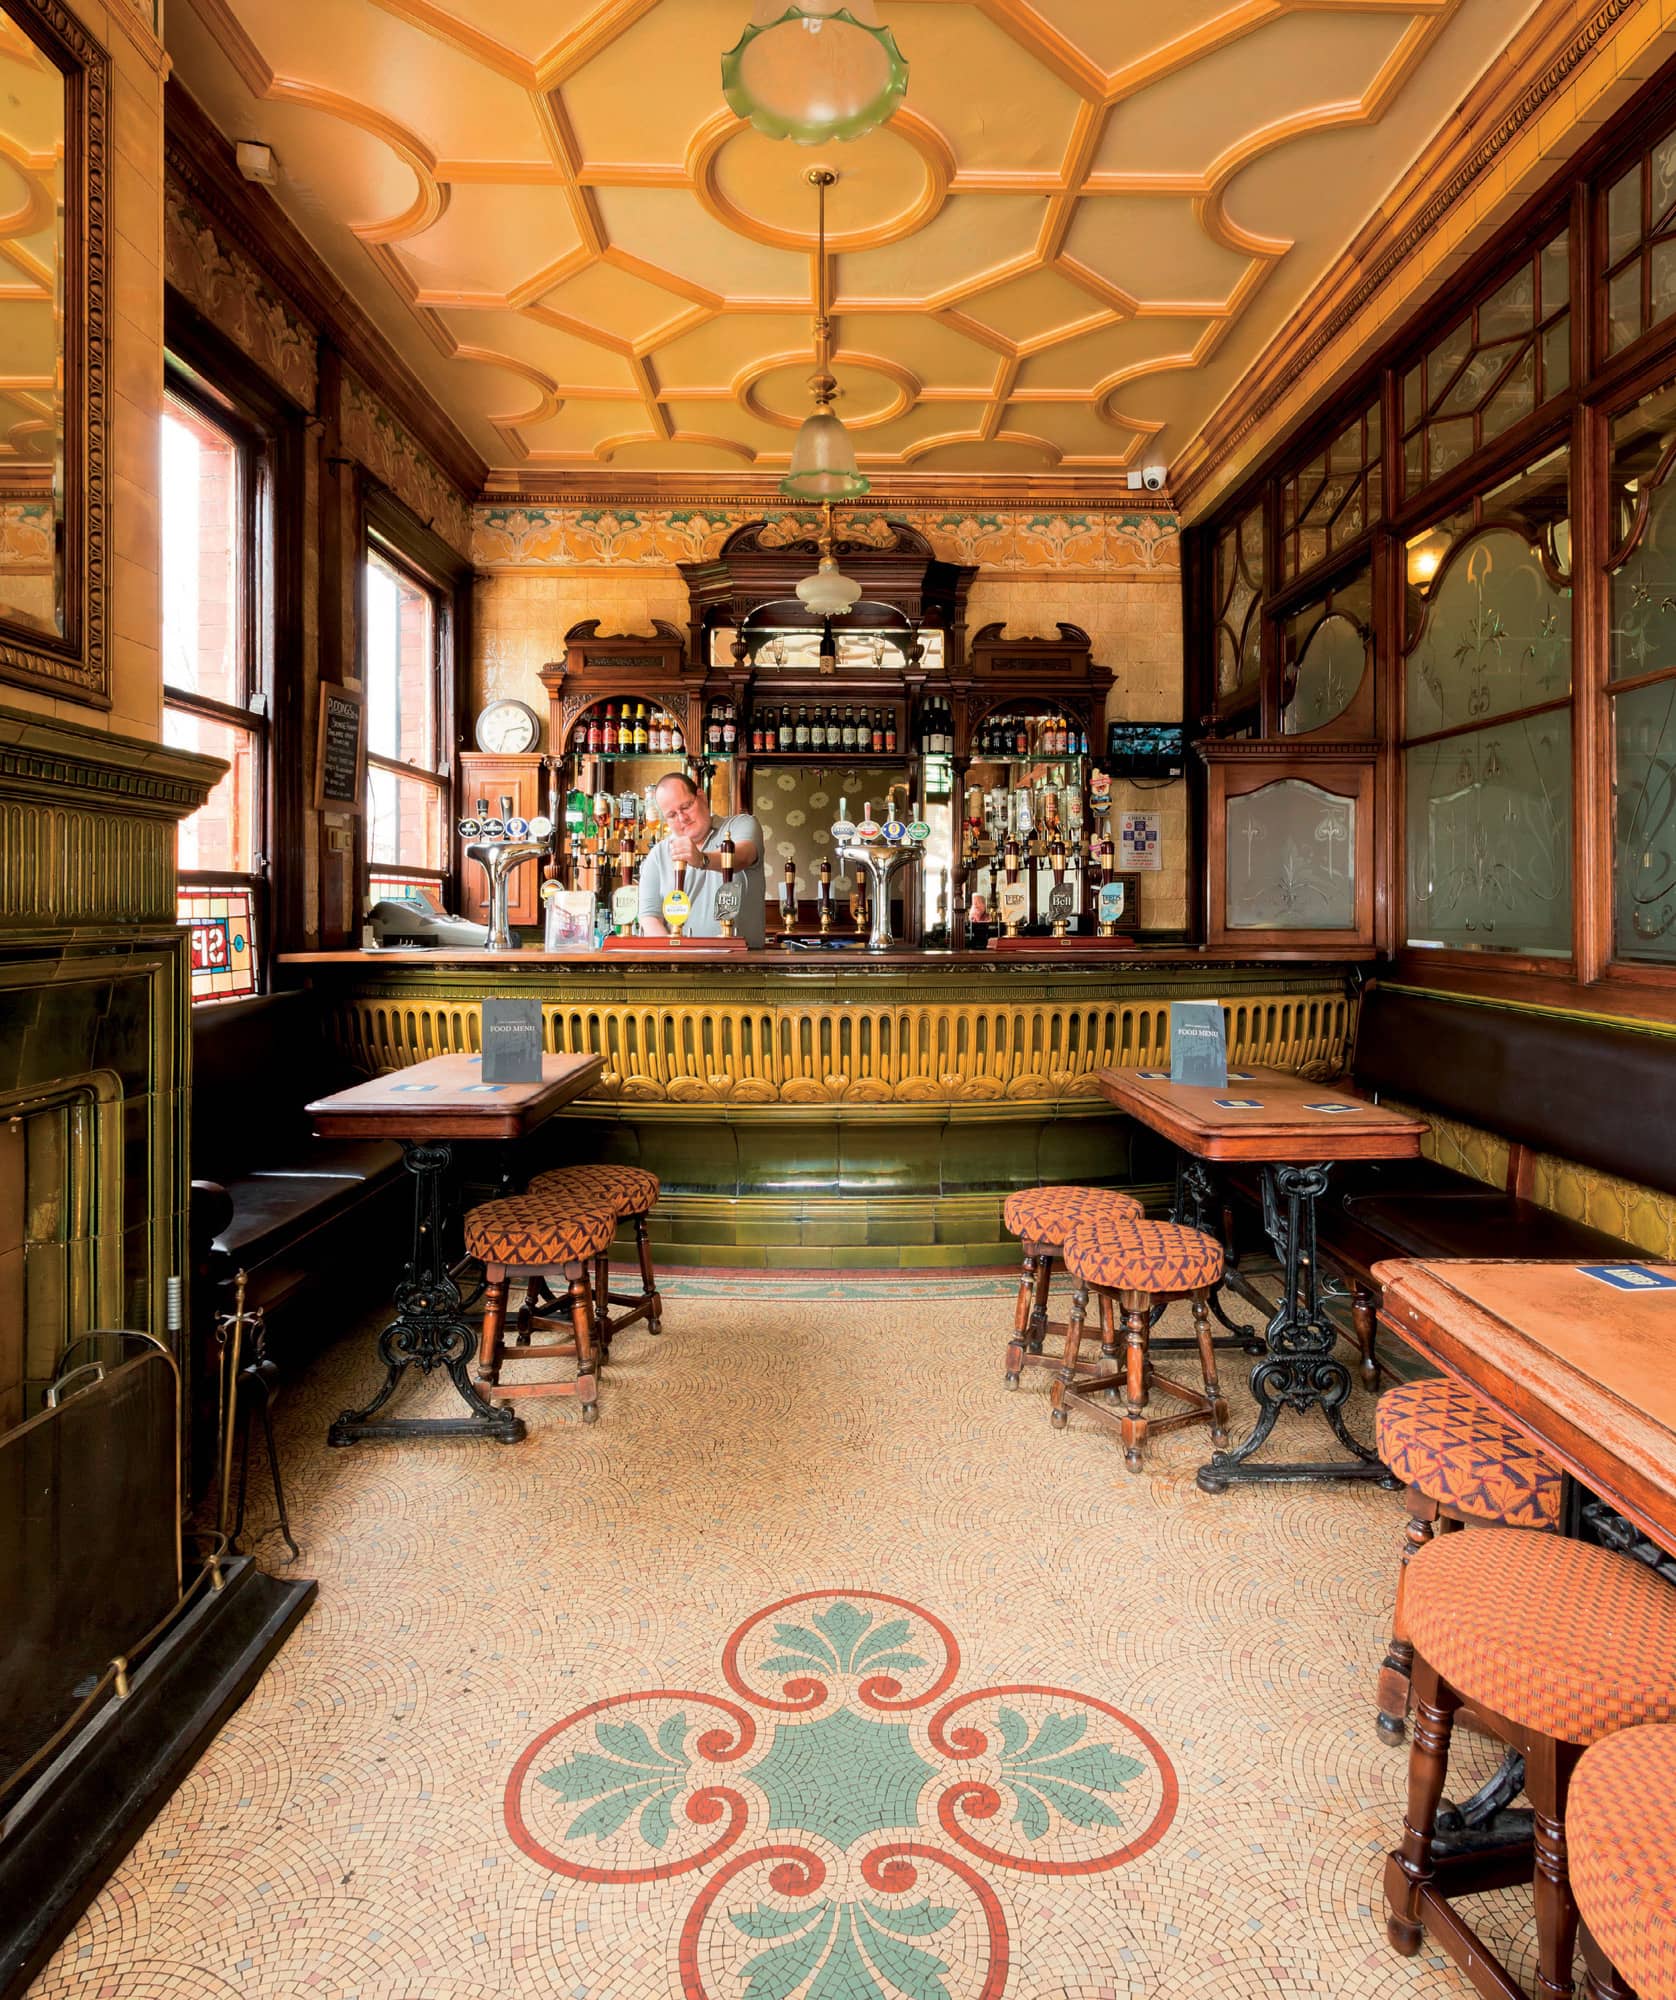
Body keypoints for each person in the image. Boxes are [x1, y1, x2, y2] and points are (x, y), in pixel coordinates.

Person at [638, 772, 767, 946]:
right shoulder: (658, 855)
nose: (682, 818)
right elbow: (649, 918)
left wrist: (702, 859)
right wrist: (675, 957)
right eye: (672, 815)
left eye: (686, 807)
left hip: (741, 965)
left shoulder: (741, 825)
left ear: (701, 797)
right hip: (681, 967)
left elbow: (742, 856)